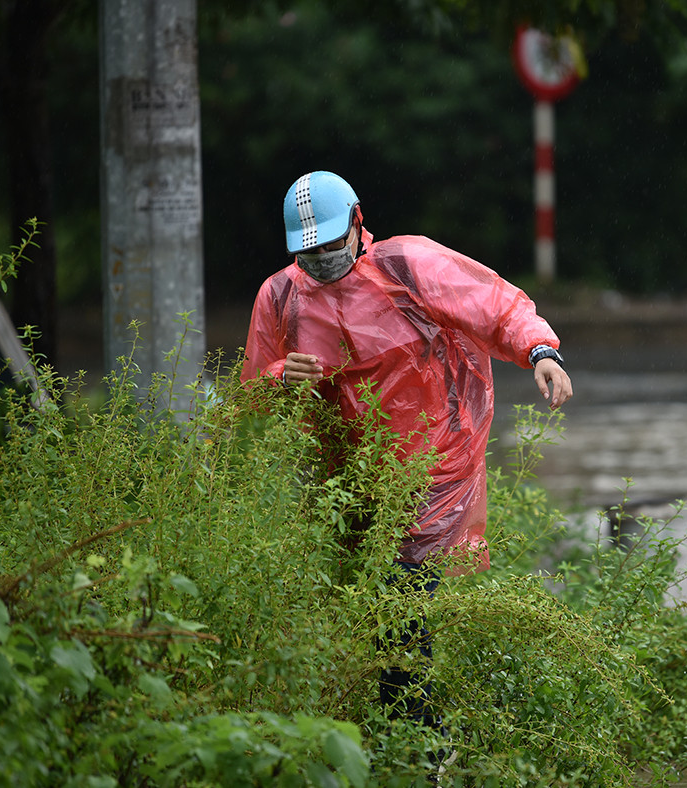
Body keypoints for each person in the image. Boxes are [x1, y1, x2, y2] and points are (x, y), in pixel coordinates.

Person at [240, 170, 573, 725]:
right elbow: (249, 397)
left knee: (401, 606)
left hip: (436, 465)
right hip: (349, 482)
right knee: (372, 613)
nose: (321, 261)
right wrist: (279, 377)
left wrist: (541, 351)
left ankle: (422, 744)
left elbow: (494, 304)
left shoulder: (408, 265)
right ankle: (415, 732)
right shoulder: (280, 298)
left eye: (330, 247)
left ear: (357, 222)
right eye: (309, 253)